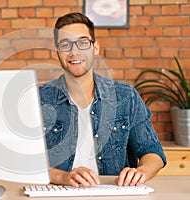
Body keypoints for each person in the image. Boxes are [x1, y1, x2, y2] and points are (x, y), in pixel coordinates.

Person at [39, 12, 166, 188]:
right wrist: (63, 177)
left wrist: (140, 172)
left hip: (114, 192)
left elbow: (153, 152)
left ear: (95, 48)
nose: (74, 51)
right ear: (56, 52)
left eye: (83, 43)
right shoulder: (38, 98)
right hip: (56, 193)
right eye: (65, 44)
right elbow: (22, 161)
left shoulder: (125, 96)